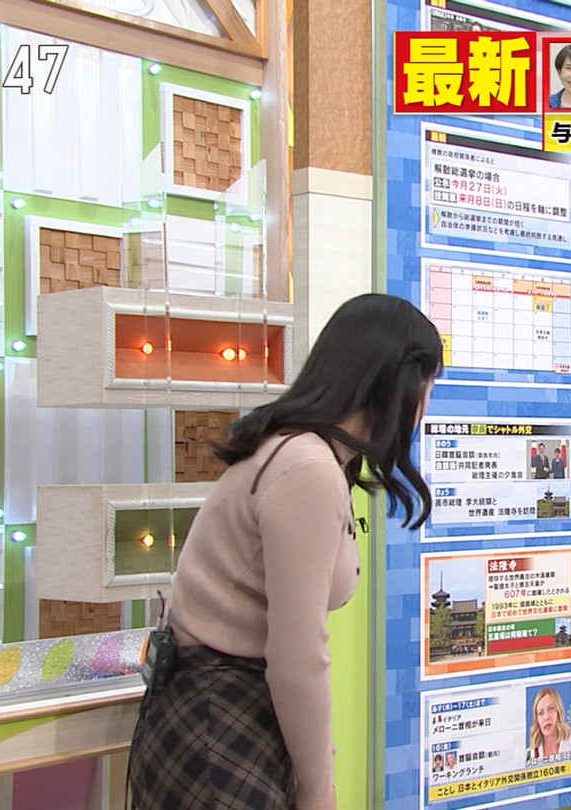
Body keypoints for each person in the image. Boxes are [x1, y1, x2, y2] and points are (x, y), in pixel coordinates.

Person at [128, 294, 443, 810]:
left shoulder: (302, 451)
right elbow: (297, 657)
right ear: (399, 382)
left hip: (213, 715)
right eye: (428, 384)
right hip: (219, 728)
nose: (426, 402)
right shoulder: (307, 468)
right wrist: (319, 790)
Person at [525, 687, 571, 762]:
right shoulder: (529, 755)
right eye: (541, 713)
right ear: (537, 720)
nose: (546, 717)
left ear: (558, 712)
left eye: (550, 709)